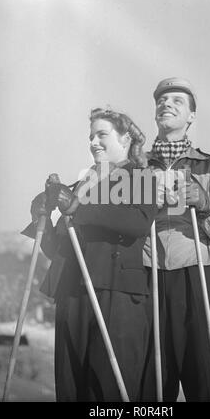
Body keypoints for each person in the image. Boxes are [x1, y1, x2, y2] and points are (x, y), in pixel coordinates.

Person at [22, 108, 158, 402]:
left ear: (125, 138)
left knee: (109, 391)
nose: (94, 142)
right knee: (72, 388)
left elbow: (138, 222)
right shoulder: (84, 184)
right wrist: (41, 218)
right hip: (72, 295)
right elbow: (59, 248)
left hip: (117, 295)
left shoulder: (141, 176)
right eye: (91, 136)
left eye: (102, 134)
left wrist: (78, 207)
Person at [142, 77, 210, 402]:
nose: (166, 104)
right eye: (162, 99)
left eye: (177, 100)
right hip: (148, 276)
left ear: (191, 117)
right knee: (152, 381)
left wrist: (206, 205)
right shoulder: (135, 168)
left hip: (195, 276)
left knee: (206, 374)